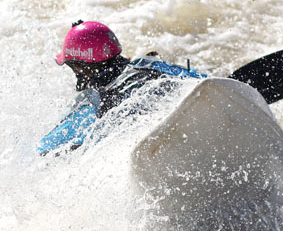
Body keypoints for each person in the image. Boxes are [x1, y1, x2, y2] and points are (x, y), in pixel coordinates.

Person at [37, 20, 206, 154]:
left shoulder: (90, 101)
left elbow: (44, 148)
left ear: (80, 67)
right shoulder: (150, 64)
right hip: (194, 120)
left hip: (152, 143)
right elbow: (210, 84)